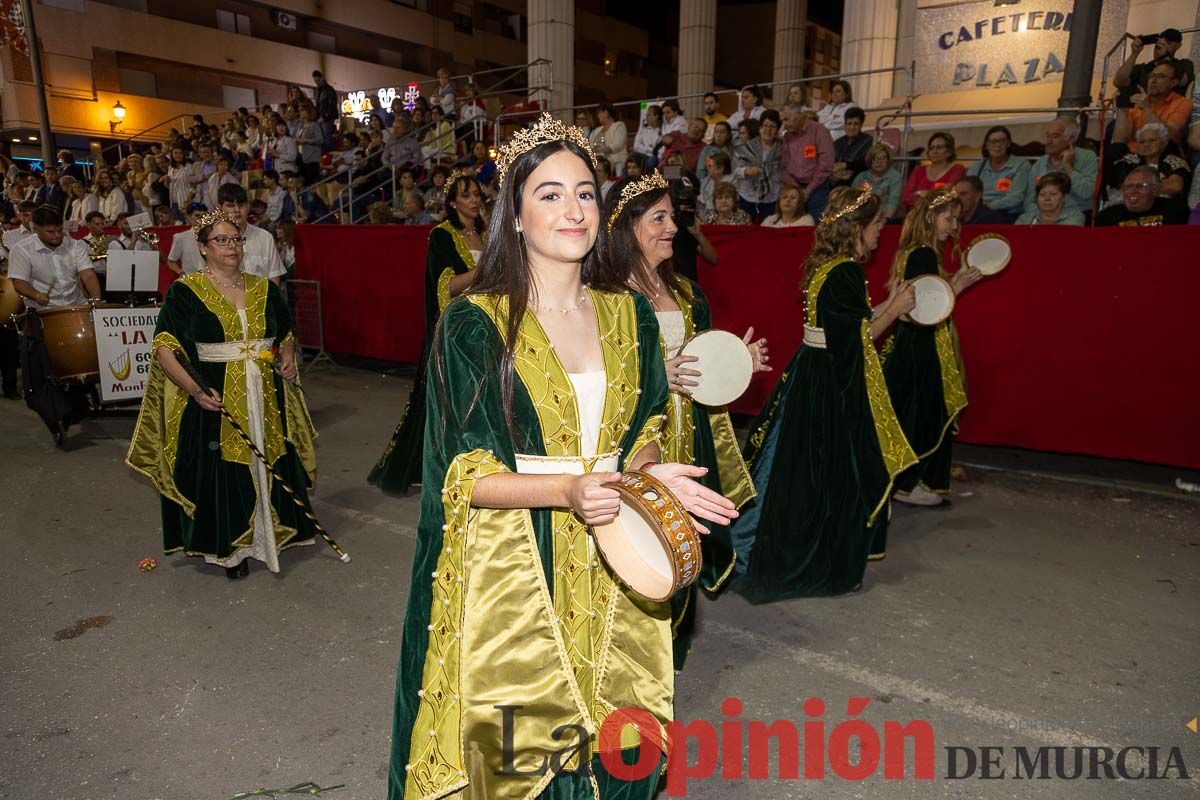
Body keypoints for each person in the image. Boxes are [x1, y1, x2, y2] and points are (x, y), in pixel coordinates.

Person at [385, 114, 735, 799]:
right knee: (527, 754)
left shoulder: (626, 313)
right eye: (549, 193)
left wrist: (647, 474)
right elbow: (464, 477)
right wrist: (574, 491)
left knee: (620, 730)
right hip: (519, 559)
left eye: (584, 192)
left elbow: (645, 425)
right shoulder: (475, 322)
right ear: (514, 213)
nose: (572, 209)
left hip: (617, 549)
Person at [603, 170, 767, 670]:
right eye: (659, 217)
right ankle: (636, 650)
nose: (673, 226)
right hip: (640, 435)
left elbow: (701, 359)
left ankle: (672, 644)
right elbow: (601, 373)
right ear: (628, 226)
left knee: (684, 531)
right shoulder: (605, 296)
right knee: (646, 532)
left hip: (688, 430)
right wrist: (657, 374)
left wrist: (737, 361)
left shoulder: (685, 290)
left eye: (672, 216)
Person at [729, 186, 918, 600]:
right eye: (877, 225)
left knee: (793, 468)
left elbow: (841, 328)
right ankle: (811, 556)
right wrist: (897, 308)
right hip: (829, 380)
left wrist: (885, 304)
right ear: (857, 228)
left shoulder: (826, 266)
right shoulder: (846, 271)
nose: (879, 234)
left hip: (809, 372)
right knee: (828, 471)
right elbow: (855, 340)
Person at [126, 209, 317, 579]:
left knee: (272, 458)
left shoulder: (264, 288)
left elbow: (284, 335)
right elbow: (165, 348)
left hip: (265, 394)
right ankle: (233, 549)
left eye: (237, 239)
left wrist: (288, 359)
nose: (232, 247)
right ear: (202, 247)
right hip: (216, 395)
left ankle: (272, 536)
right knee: (225, 470)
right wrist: (195, 389)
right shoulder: (185, 292)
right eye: (222, 240)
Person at [369, 172, 485, 495]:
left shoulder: (487, 235)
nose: (475, 200)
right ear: (452, 202)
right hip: (456, 330)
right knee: (450, 400)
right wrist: (485, 269)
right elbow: (445, 287)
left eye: (477, 194)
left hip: (488, 328)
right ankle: (445, 466)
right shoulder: (442, 236)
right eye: (467, 195)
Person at [883, 187, 982, 507]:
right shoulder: (921, 253)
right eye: (947, 217)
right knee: (922, 412)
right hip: (919, 345)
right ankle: (908, 483)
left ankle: (909, 480)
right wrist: (959, 285)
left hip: (917, 342)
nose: (953, 225)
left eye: (956, 219)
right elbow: (920, 306)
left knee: (913, 411)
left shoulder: (920, 251)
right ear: (930, 217)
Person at [8, 205, 103, 444]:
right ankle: (57, 413)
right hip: (43, 314)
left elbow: (88, 274)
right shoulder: (22, 249)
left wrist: (97, 301)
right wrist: (36, 294)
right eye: (50, 232)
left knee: (83, 362)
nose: (57, 236)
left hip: (75, 308)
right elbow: (18, 281)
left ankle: (81, 403)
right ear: (35, 228)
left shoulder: (75, 245)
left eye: (59, 230)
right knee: (48, 370)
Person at [1025, 118, 1099, 219]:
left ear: (1070, 139)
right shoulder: (1040, 163)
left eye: (1055, 136)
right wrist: (1041, 216)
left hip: (1076, 214)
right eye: (1047, 136)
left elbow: (1086, 193)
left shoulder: (1087, 157)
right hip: (1043, 216)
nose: (1048, 141)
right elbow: (1029, 201)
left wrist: (1068, 166)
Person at [216, 184, 286, 284]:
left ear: (248, 206)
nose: (237, 210)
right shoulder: (213, 240)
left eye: (241, 205)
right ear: (220, 209)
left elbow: (274, 279)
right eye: (230, 205)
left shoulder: (265, 238)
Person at [1115, 61, 1190, 152]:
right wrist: (1123, 109)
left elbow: (1167, 135)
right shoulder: (1137, 101)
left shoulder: (1183, 103)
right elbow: (1120, 141)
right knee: (1114, 150)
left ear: (1173, 82)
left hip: (1164, 151)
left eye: (1161, 76)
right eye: (1152, 76)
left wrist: (1146, 109)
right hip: (1136, 153)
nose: (1153, 81)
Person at [1106, 122, 1190, 201]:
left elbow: (1174, 186)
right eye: (1142, 142)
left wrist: (1137, 190)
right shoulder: (1128, 161)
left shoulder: (1174, 161)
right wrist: (1154, 188)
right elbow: (1118, 186)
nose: (1146, 145)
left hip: (1165, 207)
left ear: (1164, 143)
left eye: (1152, 140)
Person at [779, 103, 835, 218]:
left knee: (815, 226)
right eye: (782, 121)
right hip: (794, 188)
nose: (784, 125)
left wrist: (808, 190)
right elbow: (784, 167)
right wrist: (797, 190)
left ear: (799, 115)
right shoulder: (787, 137)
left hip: (817, 188)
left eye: (786, 119)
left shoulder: (819, 131)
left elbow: (826, 165)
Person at [967, 125, 1031, 222]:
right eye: (993, 142)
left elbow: (1016, 198)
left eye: (1002, 141)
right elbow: (968, 192)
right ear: (986, 146)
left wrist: (990, 206)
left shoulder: (1021, 165)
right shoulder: (976, 167)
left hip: (1008, 214)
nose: (997, 145)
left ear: (1008, 144)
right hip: (979, 212)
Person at [1096, 165, 1189, 225]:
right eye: (1129, 186)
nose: (1133, 191)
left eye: (1141, 186)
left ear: (1155, 190)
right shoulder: (1107, 217)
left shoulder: (1176, 211)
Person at [1114, 28, 1193, 98]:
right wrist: (1134, 54)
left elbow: (1183, 81)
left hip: (1167, 112)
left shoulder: (1183, 64)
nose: (1160, 45)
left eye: (1168, 43)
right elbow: (1118, 82)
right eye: (1159, 43)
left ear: (1178, 46)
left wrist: (1166, 56)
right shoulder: (1143, 68)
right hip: (1140, 111)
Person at [733, 108, 783, 221]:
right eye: (765, 125)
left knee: (766, 233)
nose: (768, 130)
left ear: (777, 130)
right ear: (760, 128)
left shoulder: (783, 149)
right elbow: (736, 171)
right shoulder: (746, 147)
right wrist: (747, 170)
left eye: (773, 126)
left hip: (771, 198)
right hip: (747, 196)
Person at [902, 132, 965, 211]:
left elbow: (945, 196)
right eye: (931, 148)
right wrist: (930, 195)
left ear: (949, 151)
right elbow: (906, 196)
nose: (935, 151)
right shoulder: (919, 170)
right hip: (916, 216)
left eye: (939, 147)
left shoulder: (957, 169)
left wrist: (920, 193)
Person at [853, 143, 902, 221]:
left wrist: (885, 219)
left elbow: (893, 201)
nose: (879, 161)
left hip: (887, 219)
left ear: (888, 160)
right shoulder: (861, 176)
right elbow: (852, 200)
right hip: (863, 218)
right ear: (870, 160)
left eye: (883, 158)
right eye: (875, 158)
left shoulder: (895, 177)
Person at [1015, 172, 1085, 225]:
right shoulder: (1025, 219)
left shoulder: (1075, 217)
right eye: (1042, 194)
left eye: (1053, 194)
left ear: (1064, 197)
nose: (1047, 198)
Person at [830, 107, 871, 188]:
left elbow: (867, 164)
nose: (852, 127)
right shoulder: (837, 142)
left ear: (861, 125)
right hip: (836, 181)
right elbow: (831, 163)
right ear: (845, 125)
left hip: (859, 181)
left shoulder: (868, 141)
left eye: (856, 124)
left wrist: (846, 165)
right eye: (849, 123)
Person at [588, 103, 628, 176]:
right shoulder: (597, 130)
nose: (598, 116)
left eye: (599, 113)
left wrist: (601, 150)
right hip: (596, 156)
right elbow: (590, 144)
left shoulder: (619, 125)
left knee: (600, 162)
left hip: (612, 157)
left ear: (605, 113)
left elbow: (617, 145)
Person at [312, 70, 339, 151]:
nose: (317, 82)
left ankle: (331, 155)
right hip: (322, 117)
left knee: (327, 139)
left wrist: (324, 117)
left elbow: (331, 106)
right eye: (315, 81)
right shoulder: (320, 90)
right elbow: (319, 105)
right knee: (323, 139)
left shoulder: (328, 90)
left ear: (322, 78)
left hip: (327, 118)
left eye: (318, 80)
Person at [632, 104, 663, 168]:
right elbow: (636, 146)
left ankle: (648, 177)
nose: (646, 117)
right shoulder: (643, 128)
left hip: (654, 156)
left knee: (652, 160)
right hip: (643, 154)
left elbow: (659, 151)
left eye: (648, 115)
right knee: (631, 156)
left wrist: (644, 148)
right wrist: (651, 149)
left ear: (656, 116)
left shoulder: (662, 129)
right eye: (646, 115)